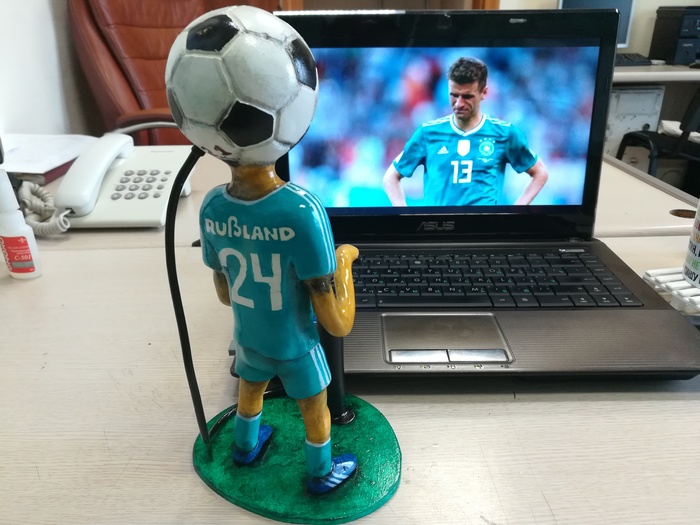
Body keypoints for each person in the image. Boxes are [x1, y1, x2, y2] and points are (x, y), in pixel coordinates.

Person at [199, 164, 358, 495]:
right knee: (314, 408)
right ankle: (321, 471)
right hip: (295, 346)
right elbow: (337, 323)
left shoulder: (213, 206)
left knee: (250, 389)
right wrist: (343, 262)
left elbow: (225, 295)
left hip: (249, 338)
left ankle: (245, 446)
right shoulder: (300, 209)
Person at [383, 57, 549, 207]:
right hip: (442, 228)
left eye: (467, 96)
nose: (459, 103)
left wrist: (517, 210)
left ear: (483, 93)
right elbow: (391, 176)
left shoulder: (504, 133)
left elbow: (540, 172)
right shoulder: (428, 133)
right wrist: (405, 214)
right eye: (454, 95)